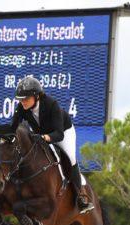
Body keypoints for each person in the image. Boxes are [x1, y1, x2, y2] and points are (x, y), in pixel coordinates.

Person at [10, 76, 94, 214]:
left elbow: (58, 134)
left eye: (25, 98)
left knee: (70, 158)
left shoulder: (51, 104)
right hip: (41, 134)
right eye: (20, 99)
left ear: (36, 96)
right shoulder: (22, 108)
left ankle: (81, 196)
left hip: (63, 132)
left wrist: (44, 137)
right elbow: (13, 126)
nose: (22, 102)